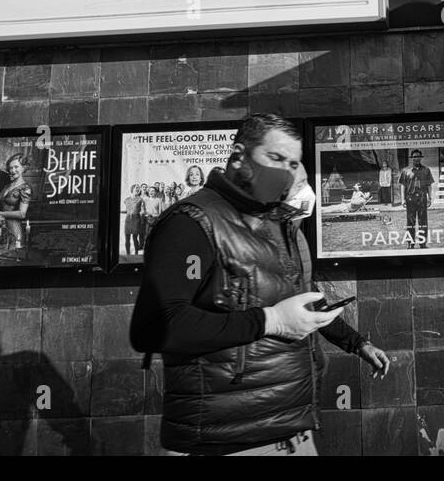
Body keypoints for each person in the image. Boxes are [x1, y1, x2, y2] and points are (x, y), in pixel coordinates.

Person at [130, 113, 391, 456]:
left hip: (294, 433)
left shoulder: (282, 227)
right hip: (225, 442)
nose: (285, 171)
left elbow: (304, 304)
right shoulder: (192, 222)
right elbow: (153, 328)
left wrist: (357, 343)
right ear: (239, 156)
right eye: (275, 158)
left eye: (292, 163)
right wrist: (272, 321)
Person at [0, 153, 32, 248]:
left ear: (24, 168)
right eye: (10, 168)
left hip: (14, 228)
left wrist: (0, 213)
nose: (13, 170)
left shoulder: (25, 188)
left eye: (16, 167)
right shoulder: (7, 185)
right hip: (1, 226)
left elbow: (22, 214)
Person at [401, 149, 434, 249]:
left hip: (422, 199)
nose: (416, 158)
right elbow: (403, 185)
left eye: (418, 156)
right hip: (410, 199)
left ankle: (422, 243)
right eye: (414, 156)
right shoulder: (406, 170)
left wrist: (429, 198)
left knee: (423, 222)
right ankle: (410, 244)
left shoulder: (426, 170)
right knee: (410, 222)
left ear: (420, 158)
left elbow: (429, 185)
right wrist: (402, 199)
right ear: (412, 158)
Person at [123, 183, 143, 255]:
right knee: (127, 237)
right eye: (136, 187)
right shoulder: (127, 199)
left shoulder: (140, 199)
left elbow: (142, 210)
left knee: (135, 237)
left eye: (138, 188)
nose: (137, 189)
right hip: (128, 219)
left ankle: (136, 254)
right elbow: (127, 210)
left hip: (136, 218)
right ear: (132, 189)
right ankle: (128, 253)